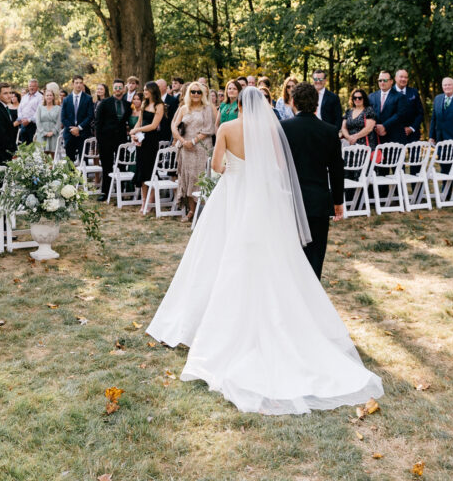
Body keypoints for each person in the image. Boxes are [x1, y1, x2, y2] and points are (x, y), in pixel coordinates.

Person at [147, 86, 383, 414]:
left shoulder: (227, 128)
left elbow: (217, 168)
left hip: (233, 196)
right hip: (262, 201)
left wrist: (234, 168)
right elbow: (277, 168)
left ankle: (205, 318)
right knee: (268, 257)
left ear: (239, 105)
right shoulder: (272, 131)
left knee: (217, 254)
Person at [281, 82, 345, 281]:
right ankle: (313, 294)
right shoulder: (329, 130)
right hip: (318, 201)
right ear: (316, 103)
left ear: (293, 102)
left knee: (290, 252)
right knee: (316, 254)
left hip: (289, 199)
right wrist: (338, 202)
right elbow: (336, 169)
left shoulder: (283, 128)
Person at [171, 82, 214, 222]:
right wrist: (183, 142)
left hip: (201, 146)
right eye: (193, 92)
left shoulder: (207, 109)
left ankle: (203, 212)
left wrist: (193, 142)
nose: (196, 94)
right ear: (189, 93)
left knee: (200, 178)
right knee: (188, 177)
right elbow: (174, 126)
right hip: (185, 147)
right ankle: (191, 211)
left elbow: (208, 129)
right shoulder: (184, 108)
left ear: (203, 94)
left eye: (199, 92)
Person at [129, 81, 165, 210]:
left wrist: (138, 130)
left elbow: (154, 125)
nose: (144, 92)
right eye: (144, 90)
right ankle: (144, 200)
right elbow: (139, 121)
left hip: (151, 141)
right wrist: (133, 133)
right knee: (142, 170)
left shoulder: (159, 105)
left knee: (150, 170)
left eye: (146, 90)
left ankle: (151, 199)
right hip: (141, 140)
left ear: (153, 90)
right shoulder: (144, 103)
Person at [95, 80, 131, 200]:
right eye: (115, 88)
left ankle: (121, 191)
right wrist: (99, 140)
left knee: (121, 165)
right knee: (107, 166)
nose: (117, 90)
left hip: (121, 140)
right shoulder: (105, 103)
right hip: (106, 140)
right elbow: (98, 123)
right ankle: (105, 192)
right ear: (112, 89)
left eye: (120, 88)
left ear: (123, 90)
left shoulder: (127, 104)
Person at [368, 70, 408, 145]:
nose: (382, 82)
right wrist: (376, 127)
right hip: (376, 138)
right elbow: (368, 115)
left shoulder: (400, 96)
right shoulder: (371, 96)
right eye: (380, 80)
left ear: (391, 81)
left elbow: (400, 115)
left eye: (385, 80)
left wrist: (384, 126)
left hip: (394, 139)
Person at [61, 76, 94, 162]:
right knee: (70, 161)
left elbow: (90, 116)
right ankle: (70, 176)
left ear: (83, 84)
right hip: (69, 133)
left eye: (80, 83)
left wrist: (79, 128)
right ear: (73, 84)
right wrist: (72, 129)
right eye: (76, 83)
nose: (79, 85)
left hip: (83, 133)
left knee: (84, 160)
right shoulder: (66, 99)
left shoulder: (88, 98)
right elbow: (63, 118)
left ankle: (83, 175)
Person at [0, 82, 18, 163]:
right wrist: (13, 152)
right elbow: (1, 137)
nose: (9, 96)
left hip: (6, 153)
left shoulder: (4, 107)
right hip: (1, 154)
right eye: (5, 93)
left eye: (10, 93)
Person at [393, 69, 425, 140]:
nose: (403, 79)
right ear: (395, 78)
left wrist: (411, 128)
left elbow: (420, 113)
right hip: (394, 134)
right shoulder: (390, 93)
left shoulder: (414, 92)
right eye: (401, 77)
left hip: (413, 134)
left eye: (406, 77)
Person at [35, 86, 62, 156]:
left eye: (50, 95)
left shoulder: (58, 108)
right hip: (42, 134)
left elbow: (59, 122)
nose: (49, 97)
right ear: (44, 97)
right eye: (47, 95)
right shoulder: (40, 108)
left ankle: (53, 167)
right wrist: (44, 132)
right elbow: (38, 121)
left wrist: (53, 132)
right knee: (43, 154)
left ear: (53, 97)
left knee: (53, 153)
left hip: (53, 134)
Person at [17, 79, 43, 145]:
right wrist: (21, 118)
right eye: (30, 86)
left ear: (37, 87)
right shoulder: (24, 97)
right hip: (23, 124)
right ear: (28, 87)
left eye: (33, 86)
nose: (31, 88)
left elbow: (39, 111)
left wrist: (29, 120)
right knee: (23, 145)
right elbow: (19, 109)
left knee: (32, 145)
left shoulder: (40, 97)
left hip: (33, 125)